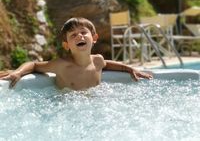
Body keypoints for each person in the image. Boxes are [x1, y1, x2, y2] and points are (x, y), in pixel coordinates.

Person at [0, 17, 152, 90]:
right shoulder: (61, 65)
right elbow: (34, 65)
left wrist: (130, 69)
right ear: (66, 45)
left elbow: (108, 64)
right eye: (73, 35)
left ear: (94, 38)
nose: (79, 36)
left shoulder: (98, 61)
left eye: (83, 32)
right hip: (68, 108)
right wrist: (17, 72)